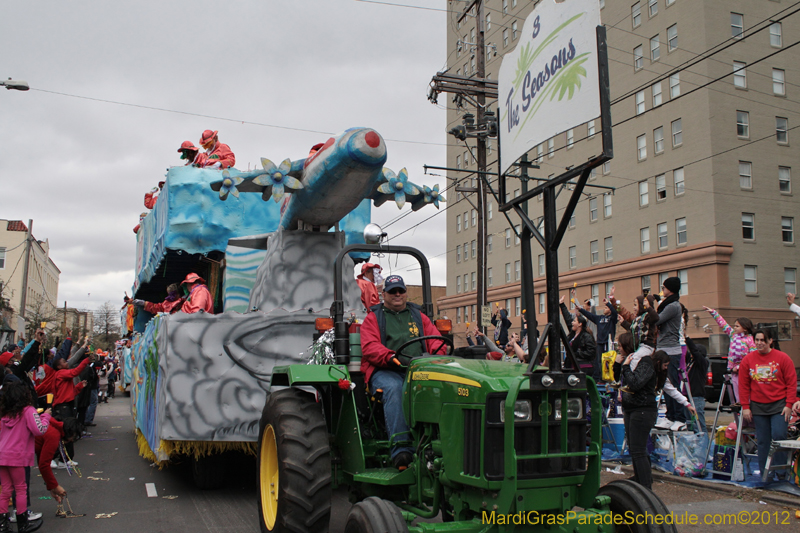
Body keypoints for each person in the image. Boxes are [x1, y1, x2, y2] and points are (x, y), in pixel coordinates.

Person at [360, 275, 447, 470]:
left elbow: (435, 339)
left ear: (406, 293)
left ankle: (443, 444)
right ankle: (401, 450)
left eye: (401, 290)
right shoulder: (374, 318)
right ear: (384, 295)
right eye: (392, 291)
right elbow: (370, 346)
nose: (397, 294)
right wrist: (389, 357)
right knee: (396, 388)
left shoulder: (419, 316)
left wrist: (437, 353)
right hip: (386, 370)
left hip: (418, 368)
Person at [739, 328, 798, 480]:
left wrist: (789, 404)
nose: (759, 343)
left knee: (779, 436)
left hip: (779, 404)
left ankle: (781, 472)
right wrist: (745, 406)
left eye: (762, 340)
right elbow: (743, 385)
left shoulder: (782, 358)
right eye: (757, 340)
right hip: (758, 405)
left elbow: (791, 382)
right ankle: (766, 473)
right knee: (763, 440)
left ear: (770, 341)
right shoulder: (748, 360)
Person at [0, 379, 50, 533]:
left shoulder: (3, 412)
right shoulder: (28, 411)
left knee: (5, 490)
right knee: (21, 488)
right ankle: (23, 523)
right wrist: (46, 416)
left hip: (2, 455)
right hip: (18, 456)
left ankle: (2, 524)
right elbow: (39, 430)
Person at [613, 332, 658, 490]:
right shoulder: (629, 360)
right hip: (630, 408)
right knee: (634, 447)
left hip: (643, 409)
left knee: (638, 449)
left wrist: (625, 367)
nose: (618, 348)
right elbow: (617, 378)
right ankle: (640, 478)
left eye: (620, 345)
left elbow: (635, 383)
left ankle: (646, 485)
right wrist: (618, 364)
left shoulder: (644, 362)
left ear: (627, 345)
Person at [702, 306, 754, 403]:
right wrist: (713, 312)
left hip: (745, 372)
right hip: (733, 372)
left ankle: (748, 413)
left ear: (745, 328)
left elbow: (752, 358)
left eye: (737, 326)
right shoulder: (733, 335)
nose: (734, 328)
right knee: (737, 395)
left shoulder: (750, 340)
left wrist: (739, 367)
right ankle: (740, 414)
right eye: (734, 326)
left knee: (746, 395)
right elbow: (723, 324)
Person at [654, 276, 687, 431]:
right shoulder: (669, 304)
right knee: (665, 384)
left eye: (664, 287)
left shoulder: (673, 306)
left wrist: (650, 308)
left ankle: (680, 418)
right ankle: (670, 416)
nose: (663, 290)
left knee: (673, 384)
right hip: (664, 348)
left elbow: (657, 320)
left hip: (671, 350)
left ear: (670, 289)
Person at [34, 417, 81, 505]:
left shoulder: (51, 427)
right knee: (19, 486)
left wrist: (51, 486)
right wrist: (55, 486)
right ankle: (20, 513)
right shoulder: (54, 434)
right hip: (17, 452)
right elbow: (44, 464)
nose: (71, 440)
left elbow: (41, 460)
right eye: (73, 437)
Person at [577, 285, 618, 380]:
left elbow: (615, 312)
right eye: (604, 307)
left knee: (608, 361)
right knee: (599, 361)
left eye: (606, 308)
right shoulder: (599, 318)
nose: (604, 309)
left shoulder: (612, 319)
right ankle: (599, 378)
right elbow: (589, 315)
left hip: (608, 342)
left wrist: (608, 303)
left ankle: (608, 378)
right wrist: (581, 309)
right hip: (599, 342)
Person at [613, 293, 658, 372]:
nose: (633, 308)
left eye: (635, 305)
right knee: (629, 359)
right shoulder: (637, 319)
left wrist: (648, 307)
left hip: (646, 346)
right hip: (639, 346)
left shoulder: (647, 316)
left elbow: (656, 318)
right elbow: (632, 330)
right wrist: (623, 322)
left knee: (633, 359)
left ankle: (635, 378)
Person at [560, 296, 596, 372]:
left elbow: (591, 352)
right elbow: (567, 318)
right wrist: (562, 304)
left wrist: (576, 354)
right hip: (571, 364)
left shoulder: (586, 336)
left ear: (580, 324)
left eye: (574, 321)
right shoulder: (572, 334)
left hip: (583, 365)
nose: (572, 322)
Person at [684, 337, 709, 432]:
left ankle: (703, 444)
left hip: (696, 397)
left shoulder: (702, 363)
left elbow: (695, 352)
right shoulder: (689, 363)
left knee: (698, 424)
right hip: (687, 396)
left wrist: (687, 340)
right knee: (689, 423)